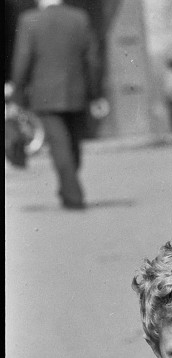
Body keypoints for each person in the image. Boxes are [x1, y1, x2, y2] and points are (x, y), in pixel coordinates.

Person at [10, 0, 108, 209]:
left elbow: (23, 58)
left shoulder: (29, 20)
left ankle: (73, 196)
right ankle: (69, 188)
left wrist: (17, 93)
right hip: (76, 91)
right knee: (72, 143)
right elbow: (93, 59)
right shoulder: (80, 17)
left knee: (59, 145)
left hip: (44, 94)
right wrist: (96, 94)